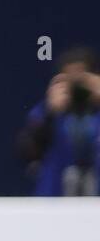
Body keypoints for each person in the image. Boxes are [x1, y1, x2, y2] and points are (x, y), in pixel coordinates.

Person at [17, 47, 100, 197]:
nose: (76, 86)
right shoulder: (46, 112)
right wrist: (50, 113)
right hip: (54, 203)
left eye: (81, 80)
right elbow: (28, 153)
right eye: (70, 80)